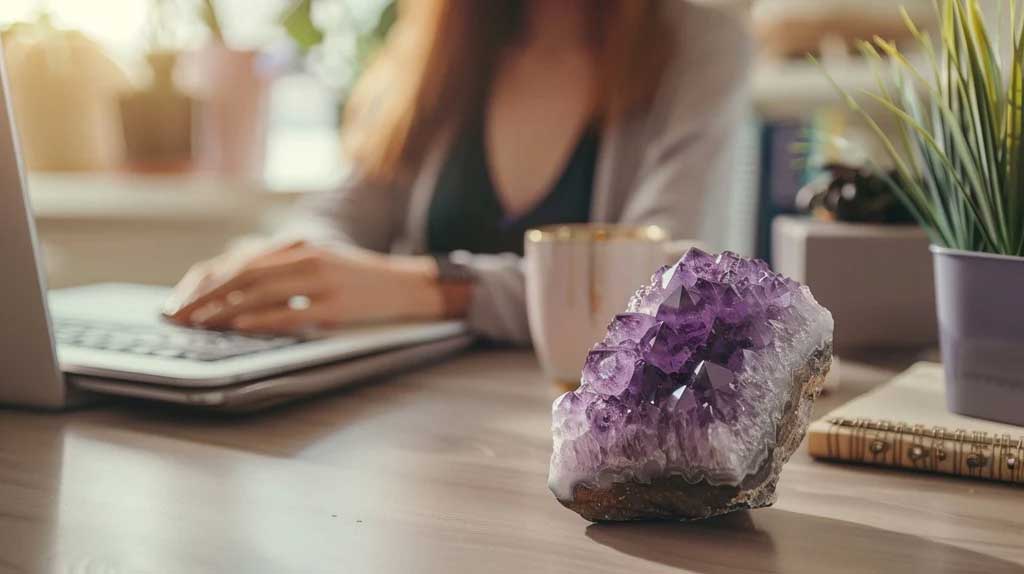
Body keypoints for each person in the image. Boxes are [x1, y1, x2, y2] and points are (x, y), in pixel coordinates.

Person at [163, 0, 752, 345]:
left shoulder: (701, 43)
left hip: (597, 436)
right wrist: (304, 269)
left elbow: (666, 281)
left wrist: (427, 287)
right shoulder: (444, 47)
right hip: (419, 429)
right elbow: (339, 212)